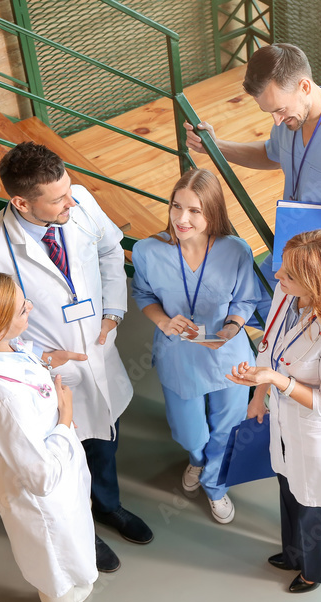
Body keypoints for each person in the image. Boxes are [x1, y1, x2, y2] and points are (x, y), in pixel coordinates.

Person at [0, 142, 151, 573]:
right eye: (58, 198)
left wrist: (113, 311)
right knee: (66, 457)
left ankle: (109, 506)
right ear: (21, 202)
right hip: (48, 376)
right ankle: (84, 530)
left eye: (68, 190)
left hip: (97, 352)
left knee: (104, 441)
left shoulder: (78, 201)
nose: (71, 202)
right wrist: (35, 356)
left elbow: (110, 249)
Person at [185, 43, 321, 379]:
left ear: (304, 86)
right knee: (249, 294)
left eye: (280, 110)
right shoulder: (291, 115)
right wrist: (217, 147)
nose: (277, 120)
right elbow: (271, 154)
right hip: (293, 247)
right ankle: (297, 354)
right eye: (270, 113)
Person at [0, 271, 119, 602]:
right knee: (53, 558)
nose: (30, 306)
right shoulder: (4, 398)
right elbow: (41, 477)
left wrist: (44, 361)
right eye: (21, 309)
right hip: (41, 491)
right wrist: (65, 419)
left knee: (61, 550)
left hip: (50, 473)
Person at [226, 230, 321, 594]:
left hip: (315, 431)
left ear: (316, 283)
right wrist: (258, 394)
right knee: (288, 488)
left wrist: (276, 381)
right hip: (283, 421)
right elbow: (269, 348)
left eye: (288, 274)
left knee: (315, 504)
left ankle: (315, 570)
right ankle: (293, 553)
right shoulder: (288, 296)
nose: (277, 277)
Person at [131, 169, 260, 524]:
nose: (181, 219)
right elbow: (143, 294)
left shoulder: (236, 250)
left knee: (228, 427)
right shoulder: (147, 251)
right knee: (189, 430)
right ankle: (197, 460)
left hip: (227, 354)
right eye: (176, 206)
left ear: (213, 212)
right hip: (178, 354)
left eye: (194, 211)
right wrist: (162, 321)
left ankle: (215, 484)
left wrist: (232, 327)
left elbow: (245, 299)